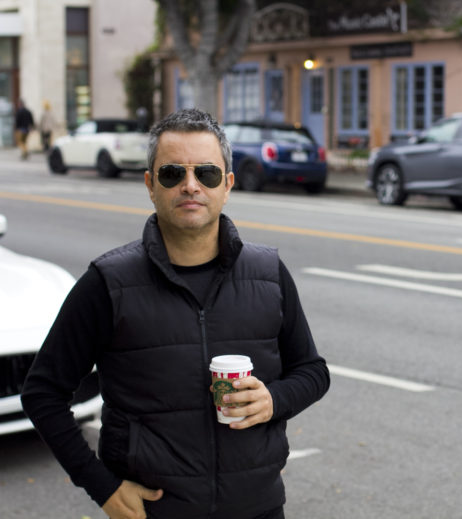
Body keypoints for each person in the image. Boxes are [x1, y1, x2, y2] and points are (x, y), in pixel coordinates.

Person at [22, 108, 330, 519]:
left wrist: (274, 399)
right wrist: (103, 488)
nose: (190, 186)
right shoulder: (108, 282)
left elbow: (312, 371)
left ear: (227, 185)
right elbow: (43, 393)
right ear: (150, 185)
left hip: (259, 508)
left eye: (206, 173)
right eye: (172, 174)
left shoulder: (268, 273)